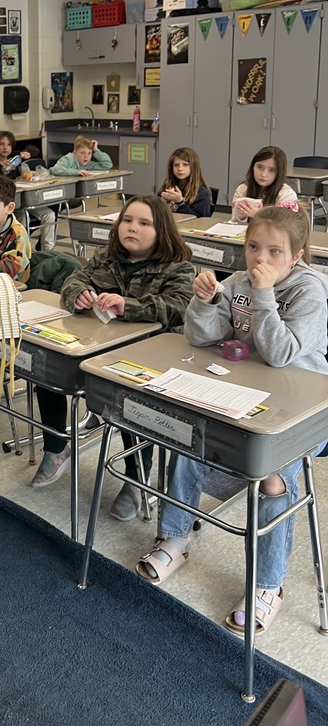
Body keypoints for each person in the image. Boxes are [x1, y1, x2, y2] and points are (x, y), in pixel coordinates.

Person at [135, 206, 328, 634]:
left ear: (297, 256)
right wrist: (204, 302)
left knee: (275, 478)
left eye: (275, 251)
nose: (261, 259)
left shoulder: (308, 292)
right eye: (253, 247)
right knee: (191, 434)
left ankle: (269, 585)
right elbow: (203, 338)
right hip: (247, 396)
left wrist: (263, 297)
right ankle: (176, 538)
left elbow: (280, 356)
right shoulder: (238, 283)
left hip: (305, 413)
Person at [30, 196, 194, 501]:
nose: (132, 228)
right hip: (97, 345)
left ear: (162, 231)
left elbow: (178, 307)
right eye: (128, 220)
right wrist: (77, 294)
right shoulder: (107, 256)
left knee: (129, 399)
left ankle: (137, 476)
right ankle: (56, 447)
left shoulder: (177, 266)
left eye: (144, 223)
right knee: (48, 364)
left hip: (148, 356)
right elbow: (73, 280)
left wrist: (126, 307)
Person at [0, 130, 55, 250]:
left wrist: (26, 153)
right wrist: (3, 170)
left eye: (8, 145)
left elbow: (35, 150)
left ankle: (47, 250)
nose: (5, 148)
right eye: (1, 144)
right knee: (21, 216)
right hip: (8, 204)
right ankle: (21, 249)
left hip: (24, 199)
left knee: (49, 214)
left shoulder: (15, 158)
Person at [231, 145, 298, 222]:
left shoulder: (286, 194)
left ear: (279, 173)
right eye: (259, 167)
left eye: (271, 170)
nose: (263, 174)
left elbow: (286, 227)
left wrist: (260, 216)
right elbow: (234, 223)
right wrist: (241, 216)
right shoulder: (242, 189)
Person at [158, 146, 213, 217]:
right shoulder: (167, 186)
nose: (180, 169)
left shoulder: (202, 193)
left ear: (193, 167)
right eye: (176, 165)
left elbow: (200, 220)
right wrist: (161, 202)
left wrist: (180, 203)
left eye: (185, 165)